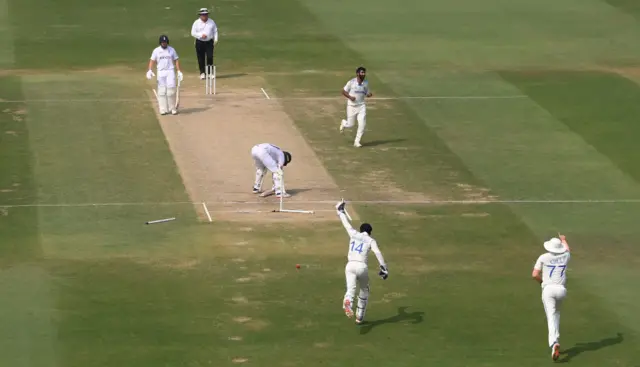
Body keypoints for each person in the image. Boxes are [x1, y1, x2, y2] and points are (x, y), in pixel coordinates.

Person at [336, 199, 388, 324]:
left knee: (350, 289)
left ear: (361, 230)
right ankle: (359, 316)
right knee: (364, 290)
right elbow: (377, 253)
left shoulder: (353, 234)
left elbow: (346, 223)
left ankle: (348, 301)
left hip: (349, 265)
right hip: (361, 267)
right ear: (370, 232)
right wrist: (384, 268)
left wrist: (340, 211)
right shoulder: (370, 240)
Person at [531, 234, 571, 361]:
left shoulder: (543, 257)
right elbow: (567, 249)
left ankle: (554, 343)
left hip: (549, 289)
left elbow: (534, 275)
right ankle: (556, 338)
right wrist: (564, 240)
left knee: (551, 316)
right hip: (561, 290)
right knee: (557, 314)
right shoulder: (565, 256)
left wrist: (542, 282)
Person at [146, 35, 183, 115]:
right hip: (161, 72)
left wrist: (179, 71)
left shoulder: (171, 50)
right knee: (162, 91)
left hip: (170, 71)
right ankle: (163, 109)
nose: (164, 43)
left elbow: (176, 60)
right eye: (163, 42)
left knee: (171, 91)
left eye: (165, 42)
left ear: (167, 42)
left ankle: (172, 108)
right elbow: (152, 60)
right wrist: (149, 70)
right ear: (160, 43)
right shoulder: (156, 51)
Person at [340, 66, 373, 147]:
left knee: (362, 124)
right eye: (362, 72)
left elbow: (366, 92)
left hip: (361, 106)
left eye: (364, 72)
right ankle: (344, 123)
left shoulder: (365, 82)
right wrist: (350, 97)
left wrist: (368, 94)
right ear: (357, 74)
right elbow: (343, 91)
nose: (363, 74)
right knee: (350, 125)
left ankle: (357, 142)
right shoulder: (351, 82)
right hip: (351, 106)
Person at [191, 8, 219, 80]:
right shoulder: (196, 23)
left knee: (210, 57)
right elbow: (193, 33)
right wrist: (200, 35)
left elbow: (215, 31)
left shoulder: (211, 22)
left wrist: (216, 39)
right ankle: (202, 73)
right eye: (203, 15)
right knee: (201, 57)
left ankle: (210, 73)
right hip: (199, 42)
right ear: (200, 15)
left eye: (206, 15)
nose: (205, 16)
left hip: (209, 42)